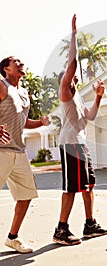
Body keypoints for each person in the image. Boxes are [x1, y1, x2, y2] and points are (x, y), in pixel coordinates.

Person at [53, 14, 107, 246]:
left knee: (88, 186)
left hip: (81, 144)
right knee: (72, 188)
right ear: (65, 80)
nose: (74, 76)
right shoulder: (65, 92)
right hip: (71, 145)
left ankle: (90, 224)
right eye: (70, 76)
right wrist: (74, 33)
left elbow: (91, 117)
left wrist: (98, 98)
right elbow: (73, 63)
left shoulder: (78, 97)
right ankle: (61, 230)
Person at [0, 56, 50, 253]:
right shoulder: (2, 86)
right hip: (1, 149)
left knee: (25, 195)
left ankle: (12, 238)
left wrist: (41, 122)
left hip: (19, 151)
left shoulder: (22, 92)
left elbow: (23, 120)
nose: (21, 63)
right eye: (16, 61)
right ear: (6, 69)